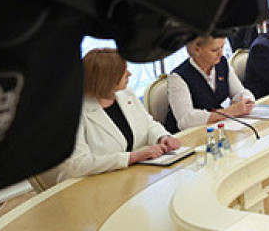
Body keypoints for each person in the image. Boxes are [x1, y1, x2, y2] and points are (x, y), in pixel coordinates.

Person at [39, 49, 183, 187]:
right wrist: (132, 157)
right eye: (123, 72)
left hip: (127, 178)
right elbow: (78, 164)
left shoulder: (126, 94)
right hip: (87, 187)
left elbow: (149, 124)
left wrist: (162, 137)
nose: (129, 74)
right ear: (107, 79)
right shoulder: (72, 111)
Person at [164, 36, 255, 133]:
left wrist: (246, 101)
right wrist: (230, 111)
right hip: (188, 135)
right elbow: (185, 120)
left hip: (215, 128)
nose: (221, 53)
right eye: (215, 50)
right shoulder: (178, 77)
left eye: (222, 47)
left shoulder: (222, 63)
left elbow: (239, 92)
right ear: (197, 50)